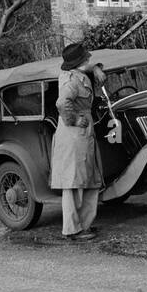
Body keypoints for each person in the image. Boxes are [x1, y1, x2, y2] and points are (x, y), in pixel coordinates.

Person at [52, 42, 104, 242]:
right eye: (87, 58)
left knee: (89, 180)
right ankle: (72, 229)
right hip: (74, 133)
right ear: (80, 62)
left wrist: (98, 68)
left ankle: (84, 225)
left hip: (83, 133)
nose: (89, 60)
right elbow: (61, 102)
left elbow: (92, 67)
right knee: (74, 183)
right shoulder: (71, 80)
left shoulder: (80, 74)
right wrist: (73, 119)